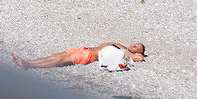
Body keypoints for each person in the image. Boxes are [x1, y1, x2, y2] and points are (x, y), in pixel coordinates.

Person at [11, 41, 145, 71]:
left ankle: (30, 65)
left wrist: (136, 54)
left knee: (60, 60)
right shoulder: (119, 46)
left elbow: (140, 58)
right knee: (55, 55)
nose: (134, 46)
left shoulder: (124, 54)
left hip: (89, 56)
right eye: (135, 44)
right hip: (83, 49)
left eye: (137, 48)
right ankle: (28, 61)